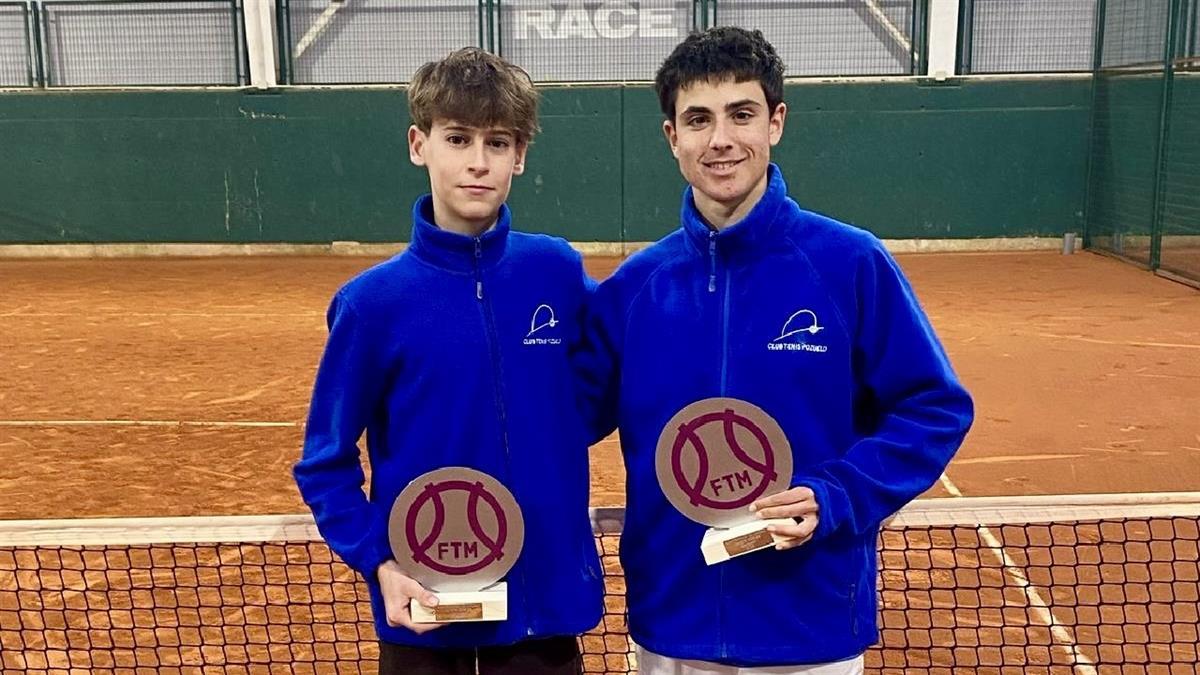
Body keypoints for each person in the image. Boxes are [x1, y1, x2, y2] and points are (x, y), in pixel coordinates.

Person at [574, 27, 974, 674]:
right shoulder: (635, 288)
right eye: (698, 119)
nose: (720, 139)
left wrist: (837, 493)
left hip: (808, 623)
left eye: (742, 114)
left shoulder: (849, 263)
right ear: (672, 136)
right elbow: (556, 419)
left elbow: (933, 407)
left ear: (776, 122)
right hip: (674, 623)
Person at [294, 47, 602, 675]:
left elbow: (610, 388)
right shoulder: (371, 304)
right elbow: (324, 462)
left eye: (498, 142)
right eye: (458, 138)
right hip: (426, 618)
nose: (478, 162)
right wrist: (380, 560)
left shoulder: (557, 272)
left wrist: (547, 441)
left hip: (544, 617)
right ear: (420, 145)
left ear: (520, 155)